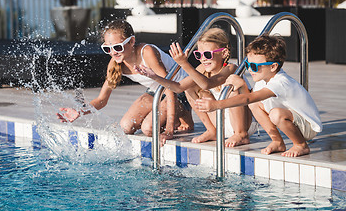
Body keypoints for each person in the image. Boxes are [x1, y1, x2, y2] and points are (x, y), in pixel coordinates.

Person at [57, 19, 193, 144]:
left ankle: (182, 115)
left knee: (148, 128)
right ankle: (177, 118)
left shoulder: (147, 52)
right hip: (156, 92)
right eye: (107, 49)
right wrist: (80, 112)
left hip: (181, 91)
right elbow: (102, 100)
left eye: (117, 47)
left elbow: (169, 88)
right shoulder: (115, 63)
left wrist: (169, 130)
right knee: (126, 126)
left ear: (131, 41)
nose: (113, 52)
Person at [195, 34, 322, 157]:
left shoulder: (280, 82)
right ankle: (277, 141)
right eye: (248, 65)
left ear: (273, 66)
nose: (250, 70)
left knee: (276, 114)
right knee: (255, 105)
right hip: (293, 120)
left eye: (254, 66)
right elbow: (250, 101)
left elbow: (247, 98)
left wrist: (216, 105)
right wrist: (243, 85)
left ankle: (300, 145)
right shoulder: (263, 79)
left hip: (308, 126)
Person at [135, 27, 256, 146]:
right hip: (220, 121)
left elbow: (208, 83)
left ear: (224, 53)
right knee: (190, 89)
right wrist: (154, 76)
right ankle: (212, 130)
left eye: (208, 54)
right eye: (199, 55)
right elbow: (178, 87)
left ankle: (241, 135)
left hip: (244, 124)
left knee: (233, 90)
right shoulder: (203, 69)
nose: (203, 59)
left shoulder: (231, 68)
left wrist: (184, 63)